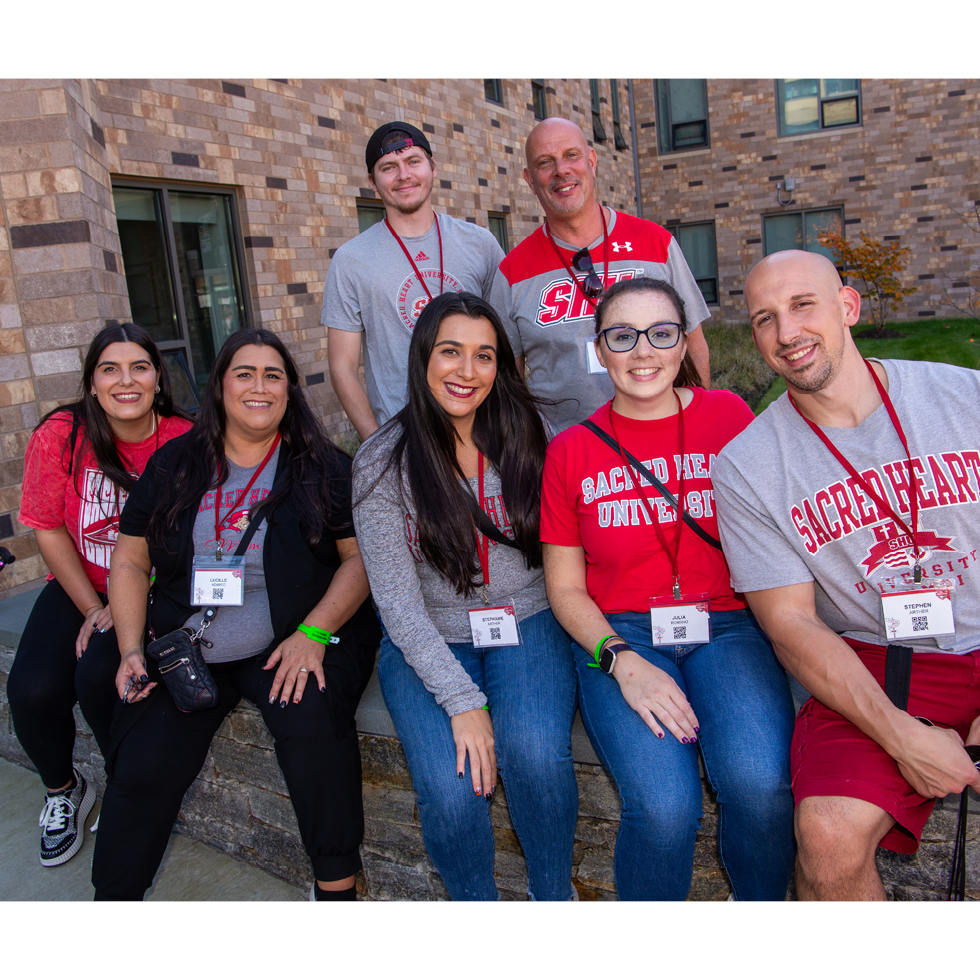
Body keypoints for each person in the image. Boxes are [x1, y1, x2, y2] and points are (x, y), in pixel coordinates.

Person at [712, 249, 980, 901]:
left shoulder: (963, 397)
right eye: (764, 319)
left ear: (849, 307)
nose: (786, 334)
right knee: (827, 838)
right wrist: (901, 736)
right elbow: (791, 624)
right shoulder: (747, 465)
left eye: (803, 305)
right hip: (874, 665)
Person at [92, 328, 379, 901]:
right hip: (192, 640)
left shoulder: (323, 467)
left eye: (273, 375)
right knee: (144, 764)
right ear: (219, 385)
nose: (259, 386)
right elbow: (129, 558)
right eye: (243, 373)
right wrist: (129, 648)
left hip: (291, 633)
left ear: (289, 390)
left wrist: (314, 633)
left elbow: (360, 562)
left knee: (313, 727)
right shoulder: (176, 463)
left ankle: (338, 894)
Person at [541, 277, 796, 900]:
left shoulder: (731, 417)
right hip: (622, 633)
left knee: (760, 787)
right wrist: (619, 661)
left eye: (661, 333)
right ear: (599, 350)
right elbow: (566, 589)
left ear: (683, 344)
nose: (643, 351)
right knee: (663, 809)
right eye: (622, 336)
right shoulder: (571, 450)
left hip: (728, 625)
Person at [352, 291, 578, 901]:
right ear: (423, 356)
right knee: (451, 792)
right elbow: (396, 605)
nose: (467, 371)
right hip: (429, 633)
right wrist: (461, 702)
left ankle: (553, 898)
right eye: (451, 352)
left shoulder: (534, 434)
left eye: (484, 356)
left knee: (534, 758)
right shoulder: (381, 460)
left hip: (528, 622)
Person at [8, 323, 191, 867]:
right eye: (109, 369)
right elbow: (47, 526)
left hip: (158, 586)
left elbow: (194, 537)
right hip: (80, 584)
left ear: (158, 378)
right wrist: (93, 607)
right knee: (33, 688)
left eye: (140, 367)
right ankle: (64, 790)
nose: (125, 380)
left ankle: (127, 791)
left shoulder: (185, 438)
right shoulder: (60, 434)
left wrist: (126, 601)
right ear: (91, 383)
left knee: (102, 679)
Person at [490, 117, 712, 432]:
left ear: (591, 162)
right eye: (545, 162)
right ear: (529, 179)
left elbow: (696, 345)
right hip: (562, 455)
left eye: (571, 155)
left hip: (660, 439)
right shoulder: (513, 271)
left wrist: (700, 424)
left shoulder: (656, 243)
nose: (561, 171)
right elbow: (507, 376)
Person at [322, 121, 505, 440]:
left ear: (433, 167)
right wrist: (378, 445)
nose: (403, 175)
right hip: (404, 439)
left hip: (482, 434)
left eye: (413, 161)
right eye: (388, 167)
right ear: (372, 181)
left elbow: (508, 341)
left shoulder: (480, 244)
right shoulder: (351, 261)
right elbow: (343, 367)